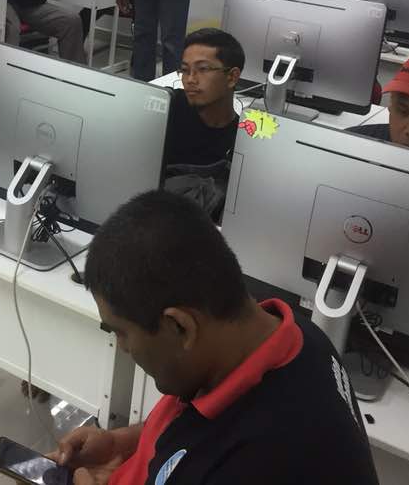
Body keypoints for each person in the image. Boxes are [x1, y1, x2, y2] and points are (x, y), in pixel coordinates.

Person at [50, 190, 379, 485]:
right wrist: (122, 443)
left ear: (180, 327)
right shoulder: (291, 337)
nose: (122, 348)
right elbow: (195, 436)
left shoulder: (261, 462)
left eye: (122, 332)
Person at [166, 29, 244, 168]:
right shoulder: (167, 106)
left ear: (232, 77)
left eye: (203, 69)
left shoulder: (242, 140)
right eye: (185, 70)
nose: (190, 79)